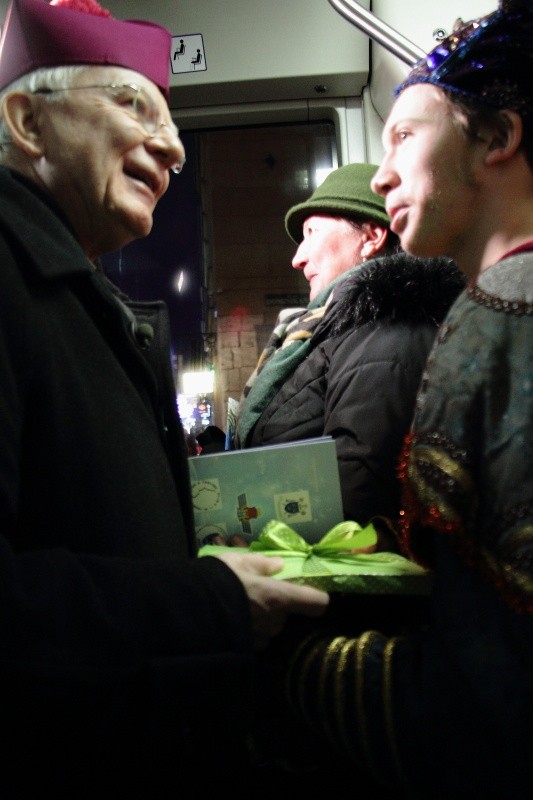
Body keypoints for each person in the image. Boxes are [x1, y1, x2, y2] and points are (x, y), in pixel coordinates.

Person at [0, 0, 328, 796]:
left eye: (172, 120)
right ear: (27, 121)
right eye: (130, 103)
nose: (174, 146)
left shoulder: (75, 292)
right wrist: (209, 602)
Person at [263, 1, 533, 796]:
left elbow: (486, 690)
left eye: (404, 136)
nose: (380, 175)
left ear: (498, 138)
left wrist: (283, 661)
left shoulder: (500, 317)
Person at [234, 163, 465, 533]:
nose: (298, 257)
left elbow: (361, 487)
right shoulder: (325, 332)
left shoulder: (389, 325)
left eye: (312, 233)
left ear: (371, 237)